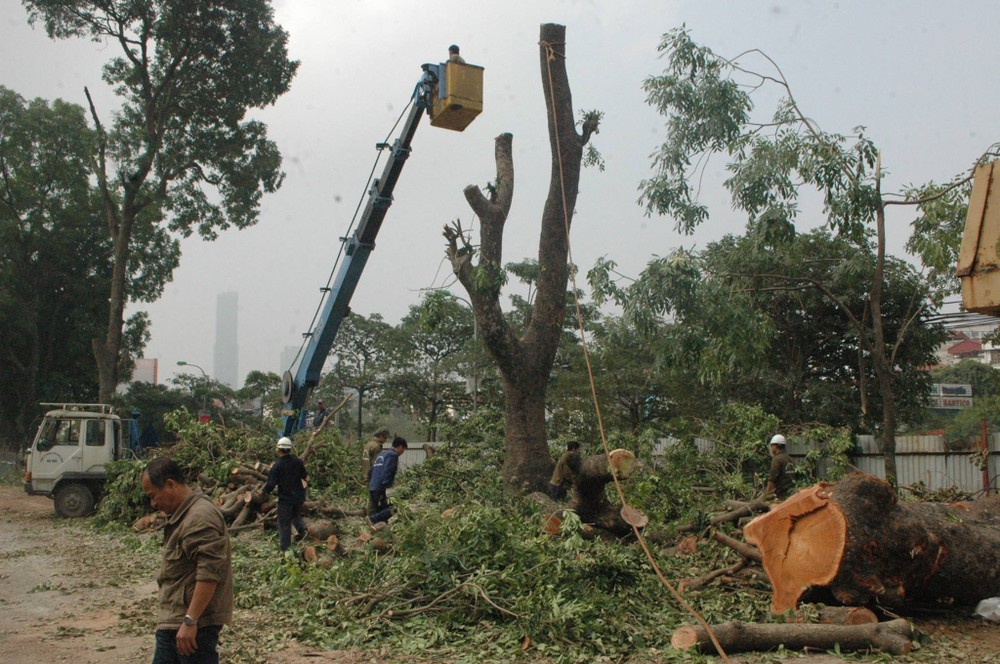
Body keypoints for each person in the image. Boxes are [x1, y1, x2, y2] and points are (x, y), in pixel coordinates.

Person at [141, 457, 233, 664]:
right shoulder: (184, 515)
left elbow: (209, 574)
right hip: (176, 620)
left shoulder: (200, 517)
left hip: (192, 626)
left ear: (170, 484)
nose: (153, 503)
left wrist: (190, 621)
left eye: (153, 496)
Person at [262, 436, 309, 551]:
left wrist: (263, 492)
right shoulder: (298, 462)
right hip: (298, 498)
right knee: (296, 516)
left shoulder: (277, 465)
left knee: (284, 524)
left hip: (285, 500)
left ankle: (285, 550)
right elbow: (306, 477)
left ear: (279, 450)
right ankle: (305, 534)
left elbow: (271, 484)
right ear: (289, 449)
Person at [368, 436, 408, 525]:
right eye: (403, 450)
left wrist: (371, 482)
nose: (402, 452)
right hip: (381, 486)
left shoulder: (382, 454)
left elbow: (370, 470)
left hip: (373, 485)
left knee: (379, 508)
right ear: (400, 446)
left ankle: (378, 526)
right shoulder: (393, 455)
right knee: (395, 507)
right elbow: (388, 470)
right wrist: (388, 486)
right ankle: (373, 519)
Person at [766, 434, 795, 500]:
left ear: (775, 447)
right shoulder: (790, 459)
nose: (771, 448)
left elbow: (772, 479)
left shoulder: (777, 459)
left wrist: (767, 495)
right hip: (791, 495)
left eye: (771, 446)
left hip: (780, 496)